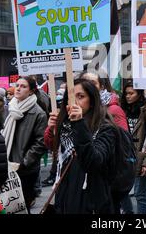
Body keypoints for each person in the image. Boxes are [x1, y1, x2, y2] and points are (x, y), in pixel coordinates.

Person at [44, 78, 118, 213]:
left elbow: (93, 161)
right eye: (70, 97)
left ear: (92, 101)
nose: (74, 102)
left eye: (81, 96)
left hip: (90, 200)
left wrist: (79, 124)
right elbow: (53, 148)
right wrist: (51, 129)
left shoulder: (106, 128)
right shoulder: (65, 125)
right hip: (65, 196)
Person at [1, 76, 47, 212]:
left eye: (23, 86)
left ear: (32, 91)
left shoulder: (39, 113)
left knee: (22, 206)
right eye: (17, 85)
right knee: (5, 205)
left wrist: (24, 162)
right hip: (6, 164)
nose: (18, 88)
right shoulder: (9, 108)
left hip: (25, 170)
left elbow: (40, 143)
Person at [121, 81, 146, 214]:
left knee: (139, 194)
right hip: (124, 156)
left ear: (140, 94)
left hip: (140, 157)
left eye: (131, 93)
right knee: (121, 191)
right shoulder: (123, 110)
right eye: (126, 93)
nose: (128, 96)